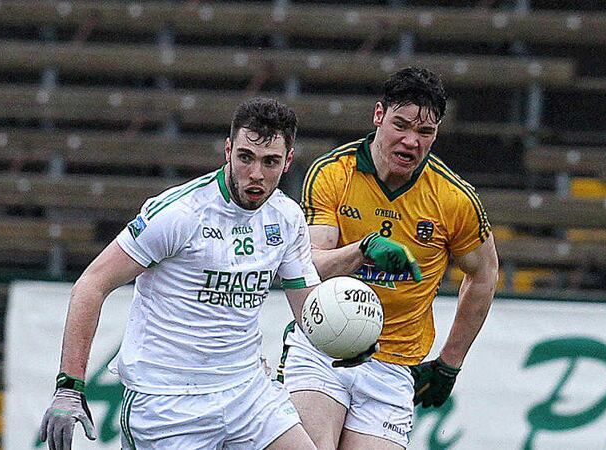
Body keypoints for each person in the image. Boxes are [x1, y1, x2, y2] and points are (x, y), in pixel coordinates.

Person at [39, 98, 322, 450]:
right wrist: (69, 386)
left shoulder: (286, 216)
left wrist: (345, 338)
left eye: (270, 162)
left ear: (288, 161)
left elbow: (309, 310)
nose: (256, 174)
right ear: (228, 150)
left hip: (248, 392)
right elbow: (91, 285)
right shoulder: (180, 213)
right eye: (245, 157)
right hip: (167, 402)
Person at [278, 67, 499, 449]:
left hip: (393, 365)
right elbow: (307, 265)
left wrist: (449, 362)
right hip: (324, 348)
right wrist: (362, 249)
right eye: (401, 125)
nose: (411, 141)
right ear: (379, 116)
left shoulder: (454, 198)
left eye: (425, 132)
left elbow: (485, 273)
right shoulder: (332, 173)